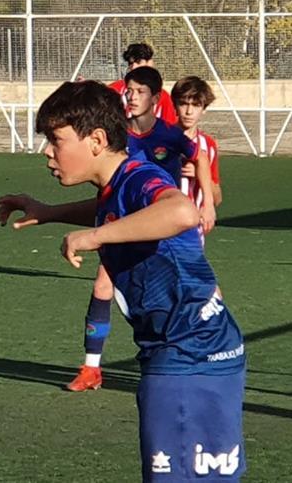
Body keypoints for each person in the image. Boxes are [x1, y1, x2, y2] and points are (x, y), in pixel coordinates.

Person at [0, 81, 245, 481]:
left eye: (56, 140)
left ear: (96, 140)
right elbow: (108, 207)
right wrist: (50, 212)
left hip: (189, 355)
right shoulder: (119, 183)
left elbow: (182, 212)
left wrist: (95, 237)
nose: (47, 151)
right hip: (199, 348)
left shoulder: (140, 177)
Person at [64, 65, 216, 392]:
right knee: (103, 286)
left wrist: (208, 204)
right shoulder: (120, 135)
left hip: (164, 227)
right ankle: (91, 367)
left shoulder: (169, 134)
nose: (132, 97)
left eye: (140, 92)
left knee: (193, 291)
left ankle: (203, 356)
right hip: (123, 224)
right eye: (129, 91)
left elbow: (201, 158)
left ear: (155, 98)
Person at [172, 76, 223, 210]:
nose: (189, 112)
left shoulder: (209, 145)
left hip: (197, 220)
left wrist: (200, 174)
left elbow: (217, 198)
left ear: (204, 109)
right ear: (175, 105)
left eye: (196, 105)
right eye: (183, 104)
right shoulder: (161, 139)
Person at [107, 43, 178, 126]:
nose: (133, 67)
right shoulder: (115, 89)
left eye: (138, 62)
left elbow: (170, 125)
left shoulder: (162, 96)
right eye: (130, 63)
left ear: (149, 63)